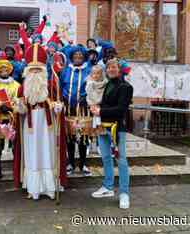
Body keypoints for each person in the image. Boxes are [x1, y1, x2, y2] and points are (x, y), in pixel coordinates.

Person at [13, 43, 67, 200]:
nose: (35, 72)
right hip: (29, 127)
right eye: (32, 69)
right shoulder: (22, 88)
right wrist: (19, 106)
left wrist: (58, 108)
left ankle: (50, 188)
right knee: (32, 154)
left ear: (43, 70)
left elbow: (59, 105)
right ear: (27, 71)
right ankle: (33, 188)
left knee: (47, 152)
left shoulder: (51, 84)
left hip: (47, 125)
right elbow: (21, 112)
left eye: (38, 69)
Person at [90, 58, 133, 209]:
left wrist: (100, 110)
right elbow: (104, 103)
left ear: (119, 69)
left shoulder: (126, 87)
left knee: (121, 160)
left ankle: (124, 193)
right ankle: (108, 187)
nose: (110, 70)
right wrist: (95, 107)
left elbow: (121, 110)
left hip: (116, 128)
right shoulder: (107, 84)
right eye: (108, 68)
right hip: (102, 127)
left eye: (114, 67)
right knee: (106, 157)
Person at [60, 45, 92, 177]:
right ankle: (71, 163)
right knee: (70, 137)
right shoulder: (65, 71)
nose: (78, 57)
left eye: (80, 56)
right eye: (75, 56)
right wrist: (62, 97)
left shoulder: (89, 70)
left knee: (83, 137)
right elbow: (60, 85)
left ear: (84, 57)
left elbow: (94, 87)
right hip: (68, 108)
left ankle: (83, 164)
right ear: (71, 57)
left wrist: (87, 97)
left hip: (83, 109)